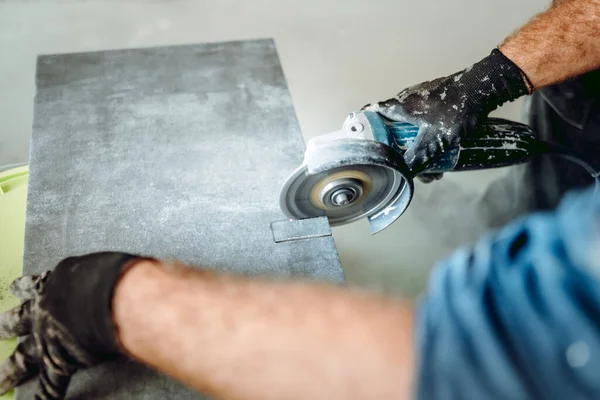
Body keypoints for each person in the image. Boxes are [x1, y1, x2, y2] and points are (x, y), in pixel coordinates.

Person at [1, 1, 599, 399]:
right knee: (532, 203)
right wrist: (485, 82)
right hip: (579, 130)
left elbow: (459, 363)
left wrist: (113, 301)